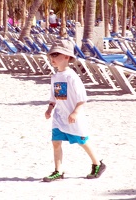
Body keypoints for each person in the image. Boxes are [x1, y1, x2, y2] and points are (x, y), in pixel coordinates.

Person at [43, 39, 106, 182]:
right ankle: (58, 171)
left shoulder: (71, 76)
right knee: (56, 142)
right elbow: (54, 96)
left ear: (66, 57)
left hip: (73, 117)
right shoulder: (55, 76)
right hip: (59, 116)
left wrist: (75, 112)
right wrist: (50, 108)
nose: (52, 58)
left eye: (56, 55)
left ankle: (97, 164)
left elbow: (82, 97)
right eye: (51, 55)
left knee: (82, 141)